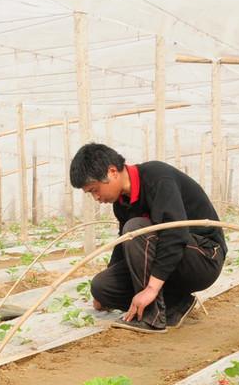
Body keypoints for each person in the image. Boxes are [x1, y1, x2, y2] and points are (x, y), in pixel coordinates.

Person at [69, 143, 226, 333]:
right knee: (103, 286)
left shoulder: (158, 178)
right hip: (170, 258)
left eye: (95, 189)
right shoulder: (121, 202)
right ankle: (177, 304)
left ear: (112, 172)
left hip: (203, 257)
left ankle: (153, 317)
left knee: (136, 228)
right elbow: (123, 245)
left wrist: (151, 289)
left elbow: (176, 234)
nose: (96, 197)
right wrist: (104, 293)